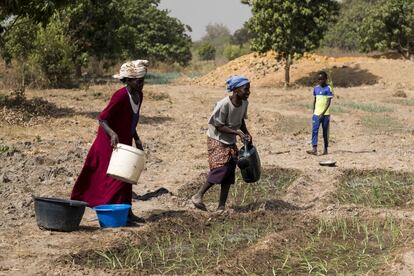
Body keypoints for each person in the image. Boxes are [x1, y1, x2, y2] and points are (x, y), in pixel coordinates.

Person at [71, 60, 148, 223]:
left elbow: (130, 121)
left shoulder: (139, 96)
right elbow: (102, 118)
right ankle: (111, 212)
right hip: (109, 141)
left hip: (124, 140)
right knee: (115, 178)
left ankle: (127, 212)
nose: (141, 84)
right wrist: (112, 134)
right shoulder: (120, 96)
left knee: (127, 177)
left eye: (143, 80)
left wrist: (137, 138)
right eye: (138, 81)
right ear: (127, 80)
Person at [191, 75, 252, 212]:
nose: (248, 92)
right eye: (245, 89)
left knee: (229, 171)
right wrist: (237, 133)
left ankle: (221, 206)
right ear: (236, 90)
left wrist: (246, 133)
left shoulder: (244, 103)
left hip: (229, 139)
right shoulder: (224, 104)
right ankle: (198, 195)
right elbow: (218, 126)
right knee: (221, 169)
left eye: (249, 89)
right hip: (217, 138)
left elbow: (241, 120)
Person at [307, 71, 334, 155]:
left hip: (325, 115)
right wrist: (314, 111)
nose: (320, 81)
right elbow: (315, 101)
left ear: (326, 79)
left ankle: (325, 149)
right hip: (316, 114)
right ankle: (314, 149)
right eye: (319, 79)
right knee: (314, 130)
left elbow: (328, 103)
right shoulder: (316, 88)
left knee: (325, 132)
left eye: (322, 79)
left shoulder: (328, 88)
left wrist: (323, 113)